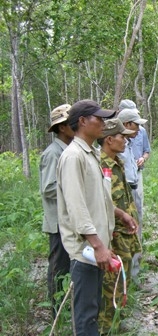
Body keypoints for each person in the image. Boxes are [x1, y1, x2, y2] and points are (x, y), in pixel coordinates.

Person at [57, 99, 136, 335]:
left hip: (96, 247)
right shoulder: (73, 157)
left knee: (94, 308)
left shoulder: (90, 154)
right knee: (86, 316)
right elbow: (77, 206)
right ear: (82, 121)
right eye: (98, 118)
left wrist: (118, 217)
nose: (103, 123)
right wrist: (98, 244)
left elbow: (99, 200)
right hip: (85, 251)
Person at [97, 119, 142, 333]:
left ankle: (117, 318)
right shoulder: (99, 163)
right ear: (108, 139)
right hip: (112, 232)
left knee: (123, 277)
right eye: (121, 137)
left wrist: (130, 216)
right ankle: (106, 326)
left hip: (126, 230)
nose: (125, 141)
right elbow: (100, 201)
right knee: (111, 281)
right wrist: (122, 215)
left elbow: (123, 196)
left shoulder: (118, 162)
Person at [39, 103, 74, 317]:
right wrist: (73, 188)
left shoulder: (67, 150)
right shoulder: (53, 154)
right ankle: (56, 311)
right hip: (58, 222)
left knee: (68, 267)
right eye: (71, 122)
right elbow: (48, 188)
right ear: (61, 127)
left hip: (69, 220)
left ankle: (64, 305)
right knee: (58, 267)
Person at [117, 107, 148, 283]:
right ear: (127, 124)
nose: (138, 130)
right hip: (123, 193)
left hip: (133, 190)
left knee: (136, 228)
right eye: (136, 125)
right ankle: (126, 277)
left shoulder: (128, 144)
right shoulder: (116, 144)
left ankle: (134, 274)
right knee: (126, 231)